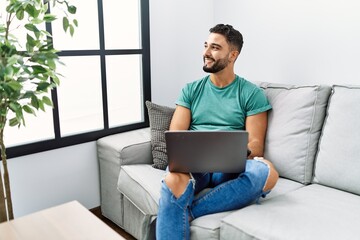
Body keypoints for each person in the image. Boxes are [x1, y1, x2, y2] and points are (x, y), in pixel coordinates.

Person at [156, 24, 279, 240]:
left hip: (229, 168)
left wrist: (233, 152)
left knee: (266, 172)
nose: (206, 53)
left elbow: (256, 146)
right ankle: (182, 208)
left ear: (233, 55)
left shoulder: (251, 93)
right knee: (172, 180)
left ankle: (189, 210)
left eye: (214, 47)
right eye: (205, 46)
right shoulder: (191, 90)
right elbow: (176, 135)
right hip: (195, 165)